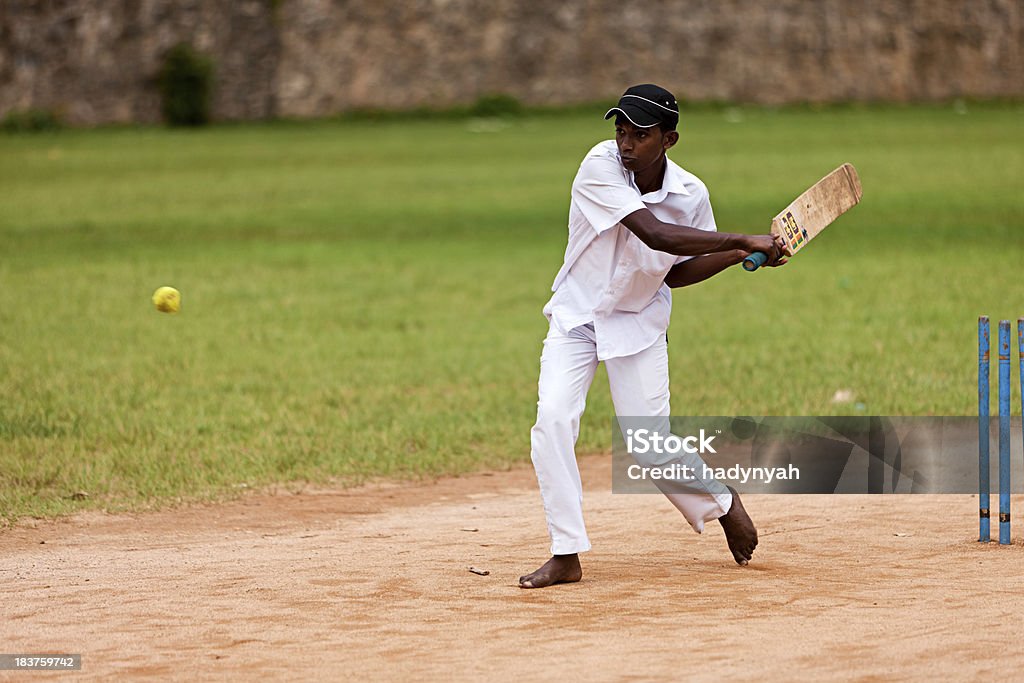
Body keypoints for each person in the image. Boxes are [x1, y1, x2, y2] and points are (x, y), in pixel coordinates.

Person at [519, 84, 786, 589]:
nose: (625, 142)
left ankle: (722, 502)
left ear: (670, 139)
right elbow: (656, 236)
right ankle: (566, 553)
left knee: (647, 445)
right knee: (552, 420)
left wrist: (737, 256)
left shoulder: (691, 195)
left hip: (638, 321)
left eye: (640, 134)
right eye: (621, 129)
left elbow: (676, 270)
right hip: (578, 316)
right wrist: (742, 238)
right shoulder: (598, 166)